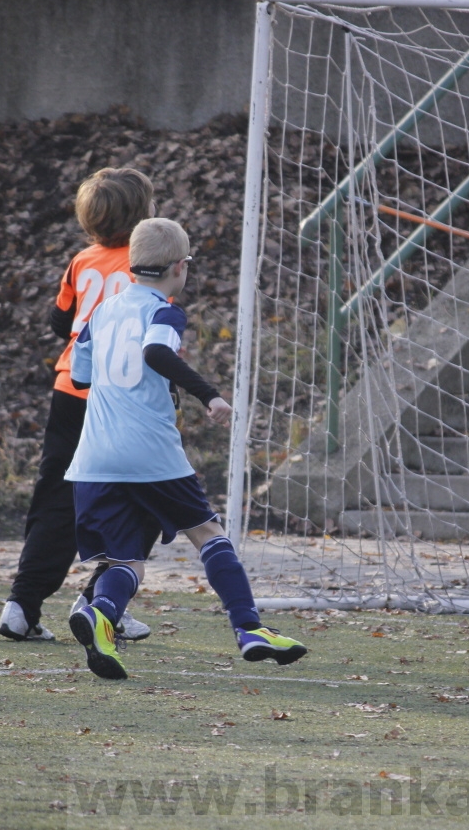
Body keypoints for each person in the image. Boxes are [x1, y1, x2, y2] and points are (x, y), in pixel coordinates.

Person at [64, 217, 307, 680]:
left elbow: (81, 376)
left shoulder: (102, 311)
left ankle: (101, 615)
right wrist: (209, 394)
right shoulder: (166, 311)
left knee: (126, 558)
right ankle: (249, 629)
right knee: (208, 534)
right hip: (149, 452)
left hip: (94, 456)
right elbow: (157, 353)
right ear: (181, 267)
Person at [0, 167, 155, 643]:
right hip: (123, 398)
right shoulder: (147, 261)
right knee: (142, 500)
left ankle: (21, 606)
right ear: (143, 214)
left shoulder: (81, 260)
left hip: (70, 392)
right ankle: (102, 602)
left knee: (56, 499)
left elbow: (59, 321)